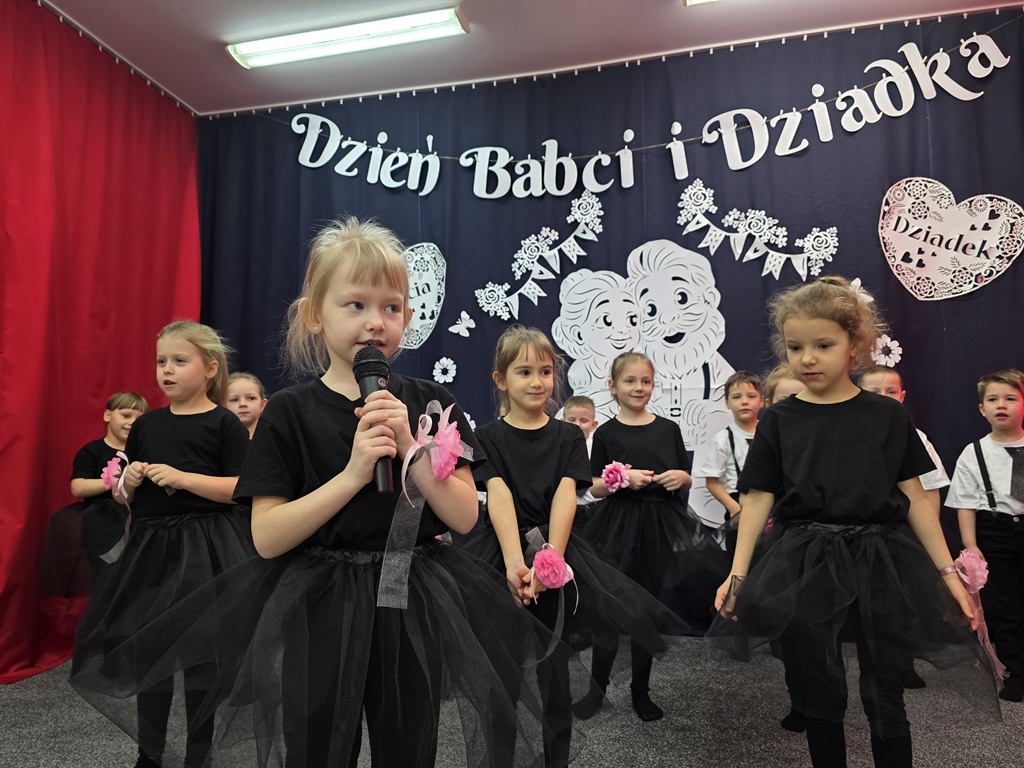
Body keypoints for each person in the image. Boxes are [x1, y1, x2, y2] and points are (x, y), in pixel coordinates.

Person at [163, 219, 580, 768]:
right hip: (321, 600)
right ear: (315, 314)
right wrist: (353, 474)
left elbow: (463, 518)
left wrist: (412, 449)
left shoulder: (431, 402)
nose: (375, 322)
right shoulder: (288, 411)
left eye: (391, 307)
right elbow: (266, 536)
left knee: (408, 741)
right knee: (316, 742)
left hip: (413, 592)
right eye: (355, 305)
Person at [709, 277, 997, 768]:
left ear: (855, 344)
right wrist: (738, 573)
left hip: (881, 558)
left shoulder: (886, 415)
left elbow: (914, 497)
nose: (808, 358)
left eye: (823, 345)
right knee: (821, 688)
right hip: (806, 559)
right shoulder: (778, 419)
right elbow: (756, 498)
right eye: (796, 347)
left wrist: (948, 573)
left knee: (886, 687)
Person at [71, 321, 254, 768]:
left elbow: (240, 489)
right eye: (160, 361)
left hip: (207, 549)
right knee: (149, 651)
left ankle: (198, 755)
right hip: (151, 552)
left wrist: (184, 478)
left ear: (210, 368)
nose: (166, 370)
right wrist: (129, 482)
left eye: (178, 361)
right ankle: (148, 754)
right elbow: (126, 498)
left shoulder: (224, 423)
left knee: (202, 658)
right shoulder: (146, 425)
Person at [576, 350, 705, 722]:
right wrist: (620, 479)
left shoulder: (668, 429)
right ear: (613, 386)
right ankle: (597, 689)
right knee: (608, 608)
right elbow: (592, 486)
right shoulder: (606, 433)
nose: (638, 387)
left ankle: (640, 691)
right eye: (630, 380)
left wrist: (683, 478)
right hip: (616, 527)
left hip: (658, 527)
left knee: (646, 609)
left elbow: (685, 477)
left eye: (645, 381)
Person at [947, 368, 1024, 703]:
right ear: (982, 409)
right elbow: (965, 504)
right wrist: (972, 546)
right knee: (1006, 607)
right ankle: (1016, 673)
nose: (1001, 405)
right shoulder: (973, 453)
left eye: (1010, 398)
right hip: (994, 531)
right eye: (993, 399)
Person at [38, 392, 149, 596]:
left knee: (137, 578)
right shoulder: (92, 451)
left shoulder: (143, 451)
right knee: (110, 577)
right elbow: (78, 487)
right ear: (107, 415)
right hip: (102, 521)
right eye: (126, 415)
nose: (132, 423)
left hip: (138, 519)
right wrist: (113, 480)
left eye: (139, 418)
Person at [858, 365, 950, 509]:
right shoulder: (849, 434)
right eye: (873, 392)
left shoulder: (916, 437)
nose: (884, 398)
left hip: (905, 518)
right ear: (858, 398)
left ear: (902, 396)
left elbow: (930, 488)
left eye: (891, 392)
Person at [563, 394, 601, 523]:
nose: (577, 425)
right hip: (565, 510)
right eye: (571, 420)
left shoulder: (598, 448)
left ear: (593, 425)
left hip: (595, 509)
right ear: (562, 422)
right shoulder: (557, 449)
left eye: (583, 421)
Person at [223, 371, 268, 438]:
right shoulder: (219, 439)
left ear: (263, 405)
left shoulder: (272, 437)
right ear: (223, 406)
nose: (242, 404)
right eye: (234, 400)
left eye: (251, 398)